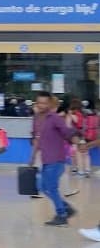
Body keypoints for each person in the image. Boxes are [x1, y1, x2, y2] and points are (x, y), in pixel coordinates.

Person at [31, 91, 79, 227]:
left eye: (45, 103)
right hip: (45, 158)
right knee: (43, 187)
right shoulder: (36, 119)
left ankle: (62, 216)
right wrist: (33, 156)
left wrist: (76, 139)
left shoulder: (54, 118)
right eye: (39, 102)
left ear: (49, 104)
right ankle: (66, 208)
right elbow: (36, 139)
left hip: (56, 159)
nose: (41, 105)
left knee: (51, 187)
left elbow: (67, 131)